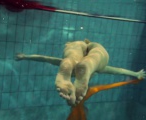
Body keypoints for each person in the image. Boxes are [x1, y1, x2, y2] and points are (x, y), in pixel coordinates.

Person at [15, 39, 146, 106]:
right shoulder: (99, 69)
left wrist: (26, 56)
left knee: (72, 56)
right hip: (92, 61)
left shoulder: (70, 64)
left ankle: (81, 55)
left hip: (78, 55)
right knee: (94, 57)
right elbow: (119, 71)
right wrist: (135, 74)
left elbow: (44, 59)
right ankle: (88, 61)